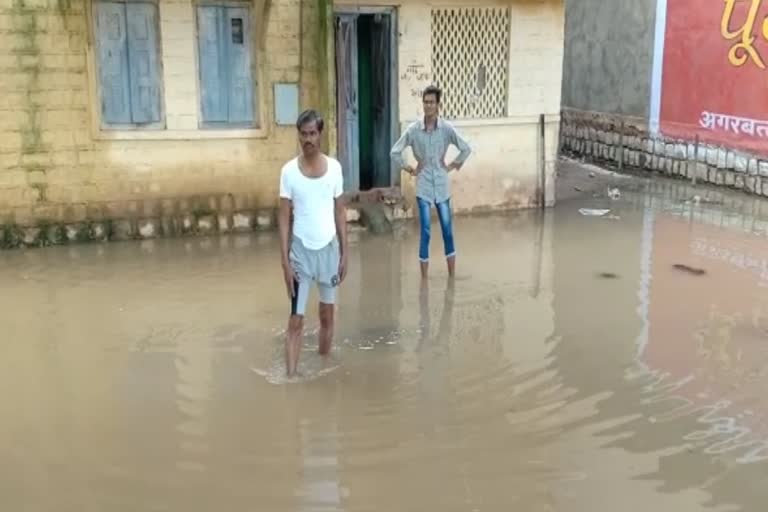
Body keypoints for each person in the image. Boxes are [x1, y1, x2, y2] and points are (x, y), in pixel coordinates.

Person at [278, 110, 348, 377]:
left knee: (328, 316)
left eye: (312, 133)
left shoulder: (335, 169)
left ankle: (323, 366)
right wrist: (284, 262)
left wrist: (345, 253)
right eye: (303, 134)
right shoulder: (288, 172)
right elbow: (284, 217)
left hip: (329, 253)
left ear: (320, 135)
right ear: (299, 136)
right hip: (300, 255)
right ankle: (291, 379)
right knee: (296, 319)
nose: (307, 139)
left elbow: (340, 212)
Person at [390, 85, 472, 280]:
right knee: (425, 231)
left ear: (438, 105)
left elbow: (466, 148)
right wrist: (410, 168)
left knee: (447, 230)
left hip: (442, 186)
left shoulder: (446, 129)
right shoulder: (413, 130)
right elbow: (394, 152)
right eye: (426, 102)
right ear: (423, 104)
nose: (428, 105)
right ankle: (424, 281)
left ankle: (451, 277)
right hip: (424, 186)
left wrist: (452, 166)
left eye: (432, 102)